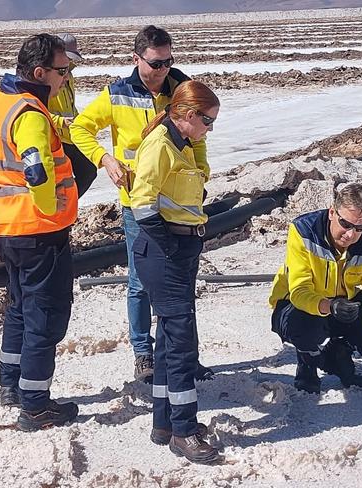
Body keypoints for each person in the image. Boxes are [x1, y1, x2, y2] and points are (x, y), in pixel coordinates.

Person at [70, 25, 213, 383]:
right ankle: (144, 354)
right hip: (139, 201)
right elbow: (80, 128)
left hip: (180, 202)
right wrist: (105, 159)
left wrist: (201, 173)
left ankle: (185, 354)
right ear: (136, 59)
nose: (163, 69)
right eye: (155, 63)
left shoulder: (180, 87)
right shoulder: (117, 94)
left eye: (168, 61)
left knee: (181, 282)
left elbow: (197, 137)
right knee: (140, 281)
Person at [0, 33, 80, 431]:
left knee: (18, 308)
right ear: (40, 71)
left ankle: (11, 386)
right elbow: (36, 169)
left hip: (6, 228)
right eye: (62, 71)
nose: (66, 78)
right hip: (38, 232)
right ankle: (35, 404)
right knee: (44, 317)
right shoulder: (28, 113)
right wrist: (51, 209)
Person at [130, 80, 220, 464]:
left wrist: (197, 141)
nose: (210, 129)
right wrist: (168, 247)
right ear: (186, 115)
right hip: (163, 249)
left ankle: (164, 421)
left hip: (181, 246)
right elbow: (142, 203)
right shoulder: (160, 145)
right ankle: (183, 431)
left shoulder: (182, 143)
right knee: (181, 341)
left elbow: (200, 177)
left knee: (168, 336)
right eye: (207, 121)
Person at [268, 183, 362, 406]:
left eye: (360, 228)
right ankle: (308, 360)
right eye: (345, 224)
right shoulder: (303, 231)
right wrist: (328, 306)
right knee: (300, 321)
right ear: (332, 212)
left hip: (342, 307)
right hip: (299, 306)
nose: (351, 234)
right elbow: (299, 292)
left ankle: (340, 352)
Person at [48, 33, 97, 198]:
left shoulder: (69, 76)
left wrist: (79, 121)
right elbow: (37, 110)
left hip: (70, 136)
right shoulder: (49, 78)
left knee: (89, 171)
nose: (70, 63)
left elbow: (70, 106)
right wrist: (61, 121)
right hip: (56, 138)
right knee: (63, 178)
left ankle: (68, 205)